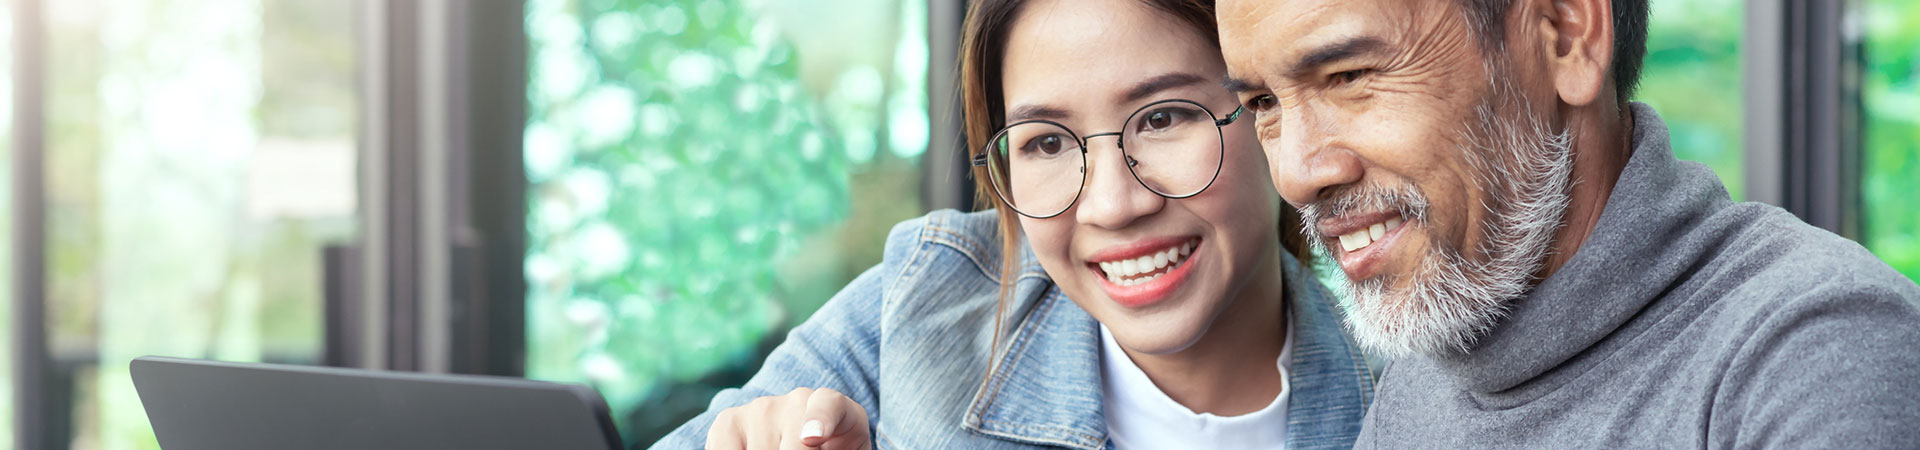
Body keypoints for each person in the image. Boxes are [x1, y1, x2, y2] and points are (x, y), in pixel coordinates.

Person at [651, 0, 1376, 448]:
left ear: (1267, 113)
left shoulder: (1413, 394)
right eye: (1048, 143)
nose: (1112, 205)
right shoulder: (926, 300)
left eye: (1162, 119)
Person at [1212, 0, 1920, 447]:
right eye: (1264, 105)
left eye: (1349, 75)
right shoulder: (1421, 383)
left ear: (1566, 37)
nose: (1298, 173)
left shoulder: (1814, 349)